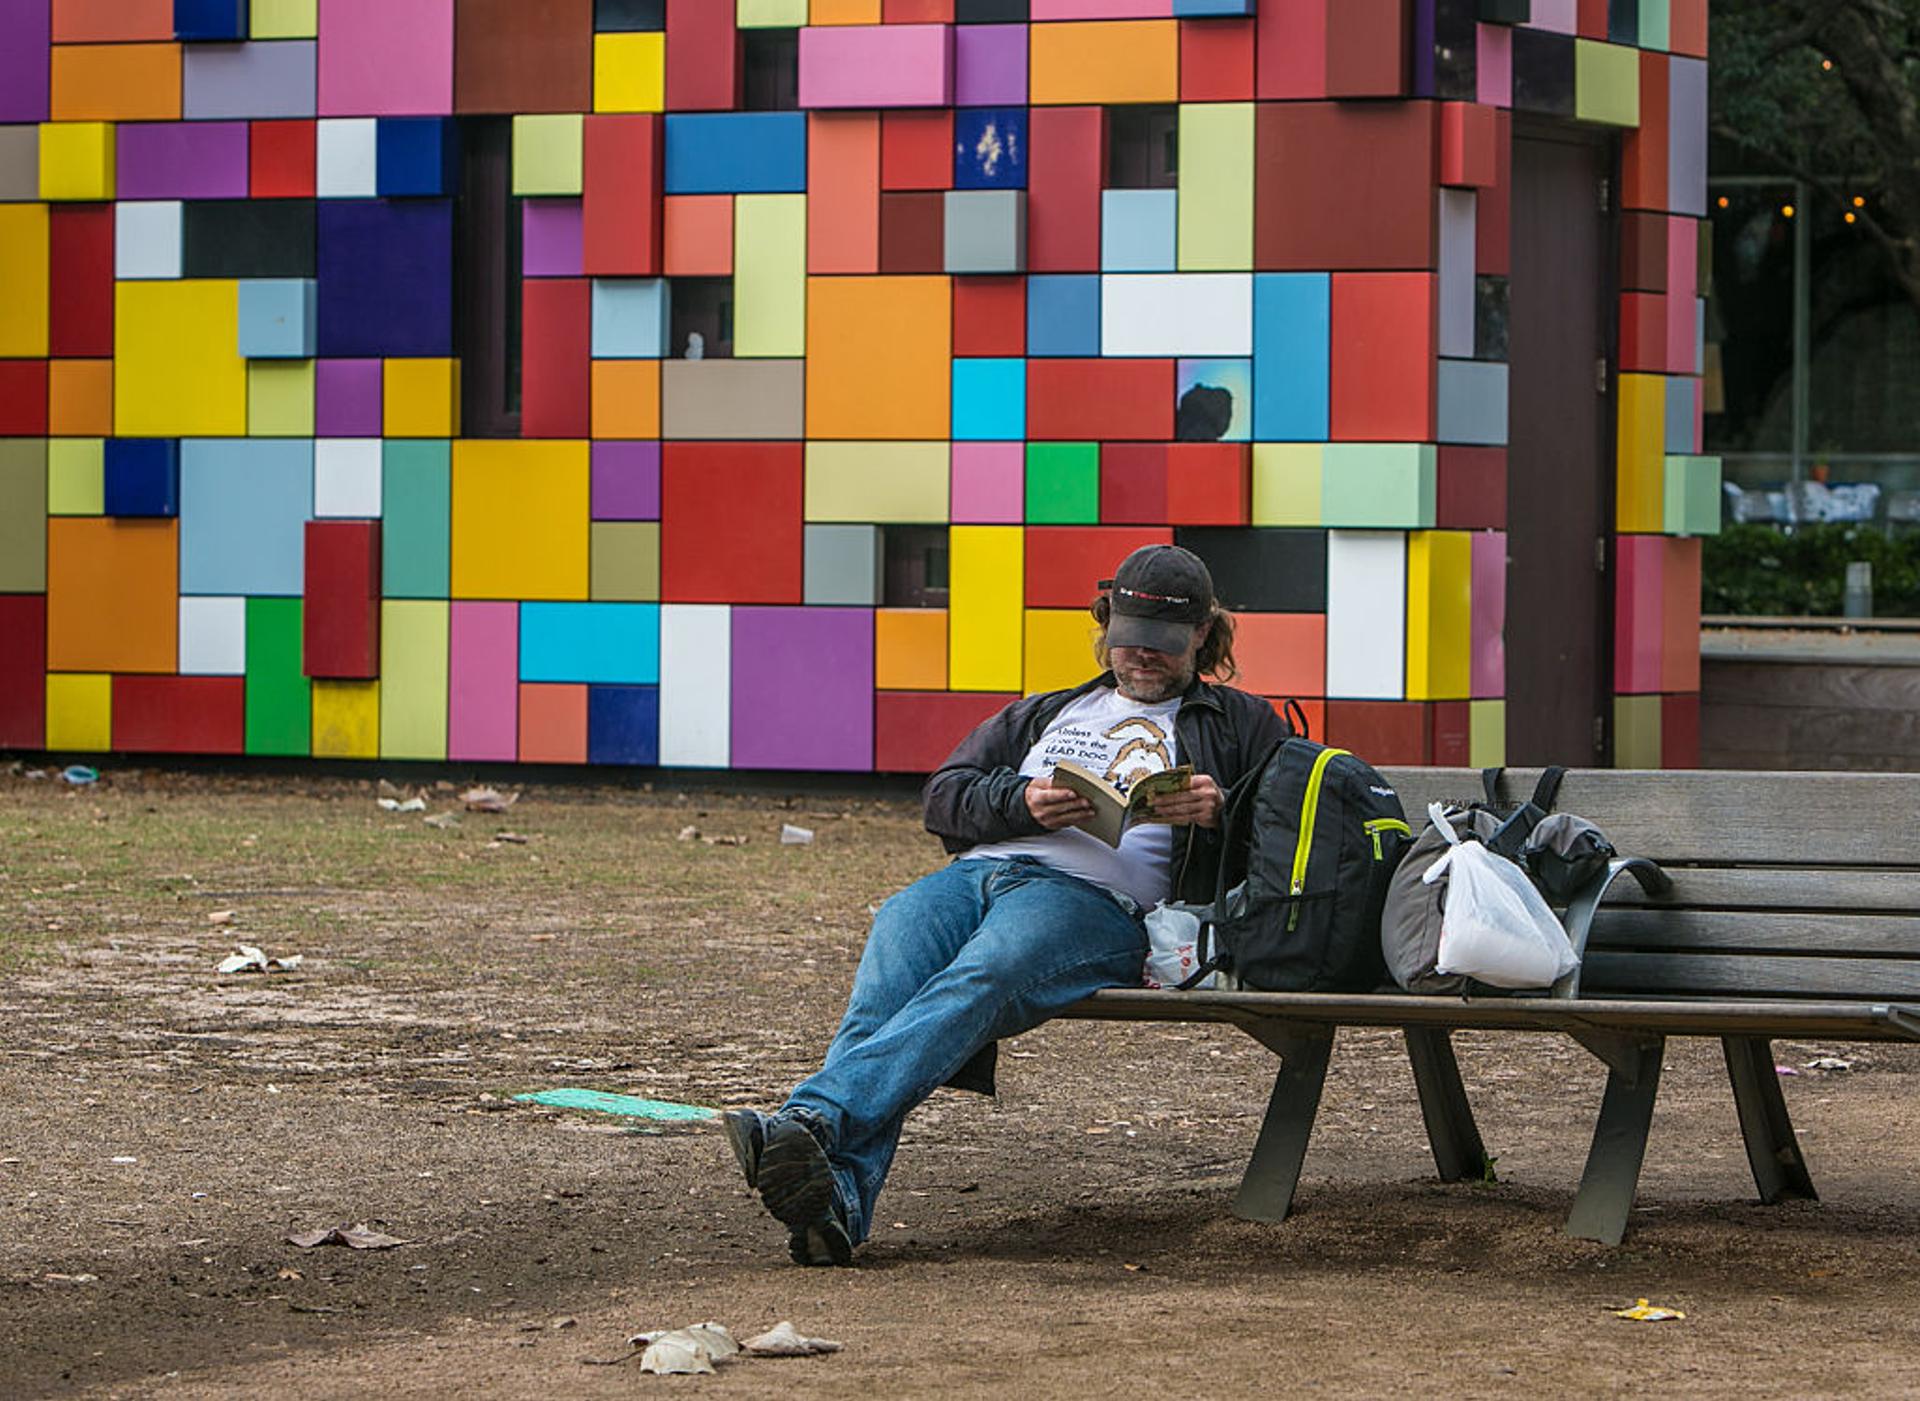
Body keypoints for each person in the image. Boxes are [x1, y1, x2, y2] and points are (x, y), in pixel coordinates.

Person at [721, 544, 1290, 1265]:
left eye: (1165, 645)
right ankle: (834, 1199)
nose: (1143, 656)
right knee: (892, 961)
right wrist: (1021, 801)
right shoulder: (1049, 711)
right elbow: (944, 796)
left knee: (983, 974)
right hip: (980, 873)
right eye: (1128, 638)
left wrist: (1222, 810)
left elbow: (1295, 836)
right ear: (1103, 622)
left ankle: (812, 1120)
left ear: (1204, 635)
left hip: (1097, 903)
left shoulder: (1242, 723)